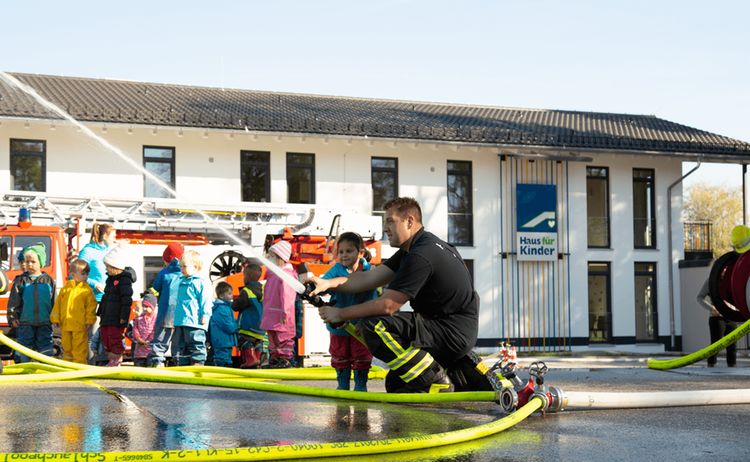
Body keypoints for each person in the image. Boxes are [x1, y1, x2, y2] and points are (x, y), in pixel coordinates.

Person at [311, 197, 480, 393]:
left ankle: (435, 377)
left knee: (374, 325)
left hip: (449, 333)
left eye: (390, 221)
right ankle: (455, 376)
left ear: (409, 221)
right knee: (397, 384)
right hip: (450, 330)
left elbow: (388, 306)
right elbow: (369, 278)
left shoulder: (420, 255)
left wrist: (340, 314)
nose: (385, 229)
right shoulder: (416, 248)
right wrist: (325, 283)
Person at [321, 232, 377, 392]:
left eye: (349, 251)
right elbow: (325, 282)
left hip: (360, 326)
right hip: (338, 326)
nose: (344, 255)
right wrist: (316, 287)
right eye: (341, 252)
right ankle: (343, 384)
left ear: (360, 252)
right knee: (339, 355)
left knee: (362, 356)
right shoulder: (336, 269)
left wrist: (365, 322)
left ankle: (361, 386)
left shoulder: (369, 272)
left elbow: (372, 300)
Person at [7, 243, 56, 363]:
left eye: (33, 261)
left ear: (41, 262)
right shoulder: (20, 280)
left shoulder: (48, 280)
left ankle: (47, 367)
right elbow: (14, 301)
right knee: (24, 347)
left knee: (45, 346)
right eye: (27, 261)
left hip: (45, 322)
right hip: (25, 323)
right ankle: (22, 367)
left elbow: (54, 301)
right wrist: (12, 317)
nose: (28, 264)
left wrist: (56, 318)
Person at [79, 223, 117, 365]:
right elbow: (75, 275)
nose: (115, 238)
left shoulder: (109, 251)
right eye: (113, 235)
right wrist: (95, 284)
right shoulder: (88, 251)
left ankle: (101, 362)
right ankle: (90, 364)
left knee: (104, 334)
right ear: (105, 235)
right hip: (93, 300)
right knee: (92, 334)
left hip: (108, 299)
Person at [50, 259, 97, 364]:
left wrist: (89, 320)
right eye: (83, 274)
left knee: (79, 346)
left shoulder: (87, 290)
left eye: (87, 274)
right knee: (66, 346)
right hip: (66, 324)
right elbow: (58, 305)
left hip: (80, 325)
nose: (86, 276)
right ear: (73, 274)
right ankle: (68, 364)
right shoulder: (65, 289)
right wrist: (55, 318)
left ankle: (79, 365)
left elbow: (91, 307)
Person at [260, 240, 298, 368]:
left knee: (284, 337)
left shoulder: (286, 276)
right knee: (273, 338)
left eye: (271, 256)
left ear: (280, 258)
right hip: (272, 313)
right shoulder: (273, 275)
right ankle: (275, 358)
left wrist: (285, 312)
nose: (268, 259)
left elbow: (287, 296)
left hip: (281, 314)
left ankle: (284, 359)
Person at [97, 245, 136, 367]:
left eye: (108, 267)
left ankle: (117, 359)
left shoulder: (124, 280)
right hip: (107, 316)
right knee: (105, 337)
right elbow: (105, 297)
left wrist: (123, 317)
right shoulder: (110, 280)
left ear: (115, 266)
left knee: (114, 338)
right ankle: (111, 359)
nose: (106, 269)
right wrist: (100, 311)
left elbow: (126, 301)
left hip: (116, 317)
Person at [147, 242, 185, 367]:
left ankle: (157, 361)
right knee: (178, 341)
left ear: (166, 259)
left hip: (165, 312)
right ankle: (179, 363)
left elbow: (155, 289)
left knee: (161, 339)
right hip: (181, 315)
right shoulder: (186, 273)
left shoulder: (163, 273)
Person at [172, 250, 212, 366]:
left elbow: (205, 300)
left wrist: (205, 314)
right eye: (180, 266)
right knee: (179, 344)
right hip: (180, 320)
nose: (181, 269)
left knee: (196, 342)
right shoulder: (181, 281)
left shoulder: (200, 282)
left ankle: (198, 362)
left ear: (195, 267)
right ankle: (181, 363)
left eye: (184, 266)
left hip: (194, 321)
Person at [232, 261, 267, 368]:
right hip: (261, 326)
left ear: (247, 276)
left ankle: (251, 359)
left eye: (244, 275)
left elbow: (236, 306)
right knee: (258, 343)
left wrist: (233, 303)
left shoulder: (246, 291)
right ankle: (257, 360)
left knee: (244, 342)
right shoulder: (264, 289)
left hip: (248, 325)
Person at [209, 281, 238, 367]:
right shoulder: (222, 309)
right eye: (229, 294)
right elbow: (228, 326)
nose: (232, 295)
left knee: (224, 358)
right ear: (221, 296)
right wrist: (238, 324)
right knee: (223, 359)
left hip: (224, 341)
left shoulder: (224, 308)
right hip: (222, 341)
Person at [132, 292, 158, 367]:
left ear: (152, 307)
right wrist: (139, 339)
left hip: (151, 350)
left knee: (150, 368)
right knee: (139, 367)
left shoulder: (155, 318)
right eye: (143, 306)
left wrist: (149, 340)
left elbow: (155, 330)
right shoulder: (139, 318)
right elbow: (135, 329)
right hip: (139, 351)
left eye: (147, 307)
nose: (144, 308)